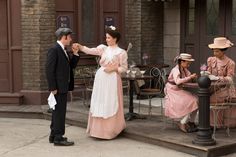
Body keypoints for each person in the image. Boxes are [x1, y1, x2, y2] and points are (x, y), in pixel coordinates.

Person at [75, 26, 127, 139]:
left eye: (108, 38)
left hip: (113, 79)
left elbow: (124, 68)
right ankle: (97, 130)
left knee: (111, 101)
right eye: (106, 37)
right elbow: (91, 50)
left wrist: (114, 69)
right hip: (101, 78)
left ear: (115, 39)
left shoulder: (121, 52)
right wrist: (81, 47)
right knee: (99, 100)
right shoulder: (103, 49)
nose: (106, 39)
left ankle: (111, 130)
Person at [46, 27, 80, 146]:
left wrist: (75, 53)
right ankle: (58, 138)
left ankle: (53, 135)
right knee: (60, 112)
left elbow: (70, 67)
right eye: (70, 37)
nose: (71, 39)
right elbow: (49, 70)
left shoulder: (63, 49)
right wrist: (53, 87)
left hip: (62, 86)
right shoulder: (54, 49)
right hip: (58, 88)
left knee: (57, 112)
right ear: (64, 37)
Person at [164, 53, 198, 133]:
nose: (189, 65)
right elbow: (178, 81)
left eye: (189, 63)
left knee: (197, 100)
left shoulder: (184, 69)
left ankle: (191, 122)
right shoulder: (176, 70)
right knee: (193, 100)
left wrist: (193, 78)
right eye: (187, 63)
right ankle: (182, 122)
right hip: (173, 90)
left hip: (178, 90)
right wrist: (190, 77)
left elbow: (188, 76)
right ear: (181, 62)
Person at [207, 37, 236, 128]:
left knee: (209, 100)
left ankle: (215, 124)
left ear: (223, 51)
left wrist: (217, 77)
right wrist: (206, 74)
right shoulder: (211, 60)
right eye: (214, 51)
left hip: (225, 89)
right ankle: (208, 123)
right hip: (212, 87)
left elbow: (230, 79)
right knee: (201, 98)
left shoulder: (230, 63)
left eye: (217, 51)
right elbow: (209, 72)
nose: (214, 53)